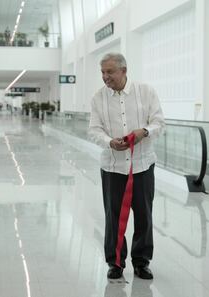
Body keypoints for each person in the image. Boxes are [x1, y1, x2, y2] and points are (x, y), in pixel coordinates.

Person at [89, 53, 165, 280]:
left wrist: (145, 132)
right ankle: (115, 263)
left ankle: (142, 262)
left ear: (124, 71)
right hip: (113, 168)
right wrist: (109, 142)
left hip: (142, 166)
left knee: (144, 216)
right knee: (113, 217)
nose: (105, 77)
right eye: (102, 72)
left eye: (110, 72)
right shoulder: (98, 98)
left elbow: (159, 122)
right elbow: (94, 130)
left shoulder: (146, 92)